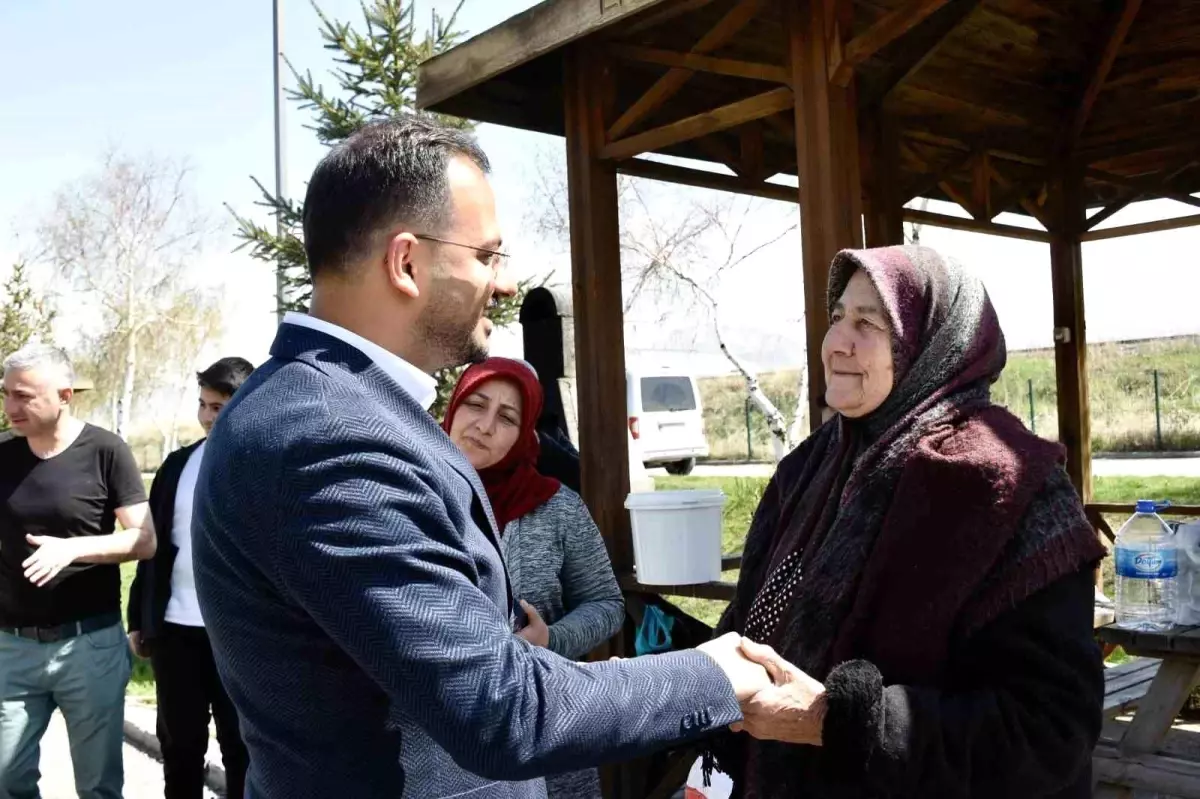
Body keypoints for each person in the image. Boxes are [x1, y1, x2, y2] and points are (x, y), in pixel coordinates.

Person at [191, 115, 770, 799]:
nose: (504, 282)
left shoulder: (332, 406)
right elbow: (503, 708)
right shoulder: (329, 436)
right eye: (487, 255)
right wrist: (713, 674)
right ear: (406, 262)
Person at [704, 245, 1107, 798]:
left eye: (869, 322)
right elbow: (754, 616)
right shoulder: (812, 467)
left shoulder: (1008, 486)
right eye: (838, 316)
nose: (837, 343)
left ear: (933, 347)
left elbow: (1049, 730)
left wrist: (835, 720)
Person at [440, 357, 624, 799]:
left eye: (506, 418)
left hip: (545, 728)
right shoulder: (412, 494)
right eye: (475, 405)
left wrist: (551, 640)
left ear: (525, 433)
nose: (484, 426)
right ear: (453, 408)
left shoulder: (556, 507)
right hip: (438, 738)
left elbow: (607, 604)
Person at [0, 344, 156, 799]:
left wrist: (73, 550)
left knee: (98, 785)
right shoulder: (2, 454)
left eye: (23, 396)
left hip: (89, 646)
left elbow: (144, 539)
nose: (11, 407)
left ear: (65, 395)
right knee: (8, 779)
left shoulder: (106, 450)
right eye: (6, 394)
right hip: (12, 647)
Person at [127, 357, 254, 799]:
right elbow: (152, 549)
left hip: (241, 636)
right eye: (202, 405)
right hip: (176, 631)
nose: (206, 417)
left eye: (218, 407)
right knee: (179, 746)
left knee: (242, 749)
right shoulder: (177, 465)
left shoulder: (266, 466)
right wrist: (139, 618)